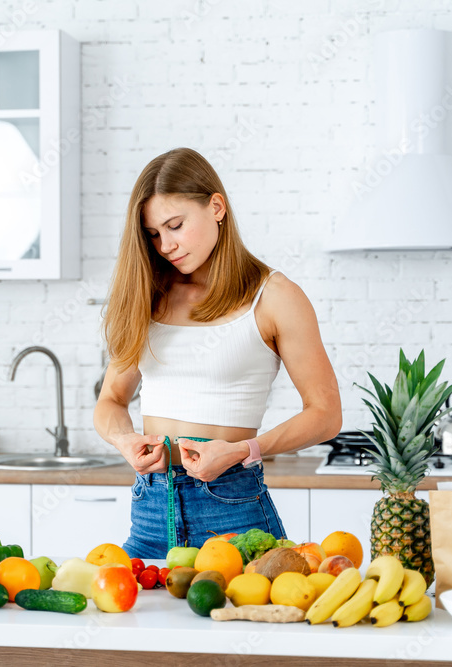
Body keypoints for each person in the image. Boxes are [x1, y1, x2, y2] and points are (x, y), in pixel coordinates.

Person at [94, 147, 342, 559]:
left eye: (175, 225)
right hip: (152, 507)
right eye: (154, 234)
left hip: (232, 507)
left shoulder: (275, 297)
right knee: (139, 623)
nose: (165, 245)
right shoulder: (148, 295)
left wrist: (243, 451)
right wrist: (124, 441)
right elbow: (112, 400)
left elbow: (326, 413)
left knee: (247, 621)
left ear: (216, 207)